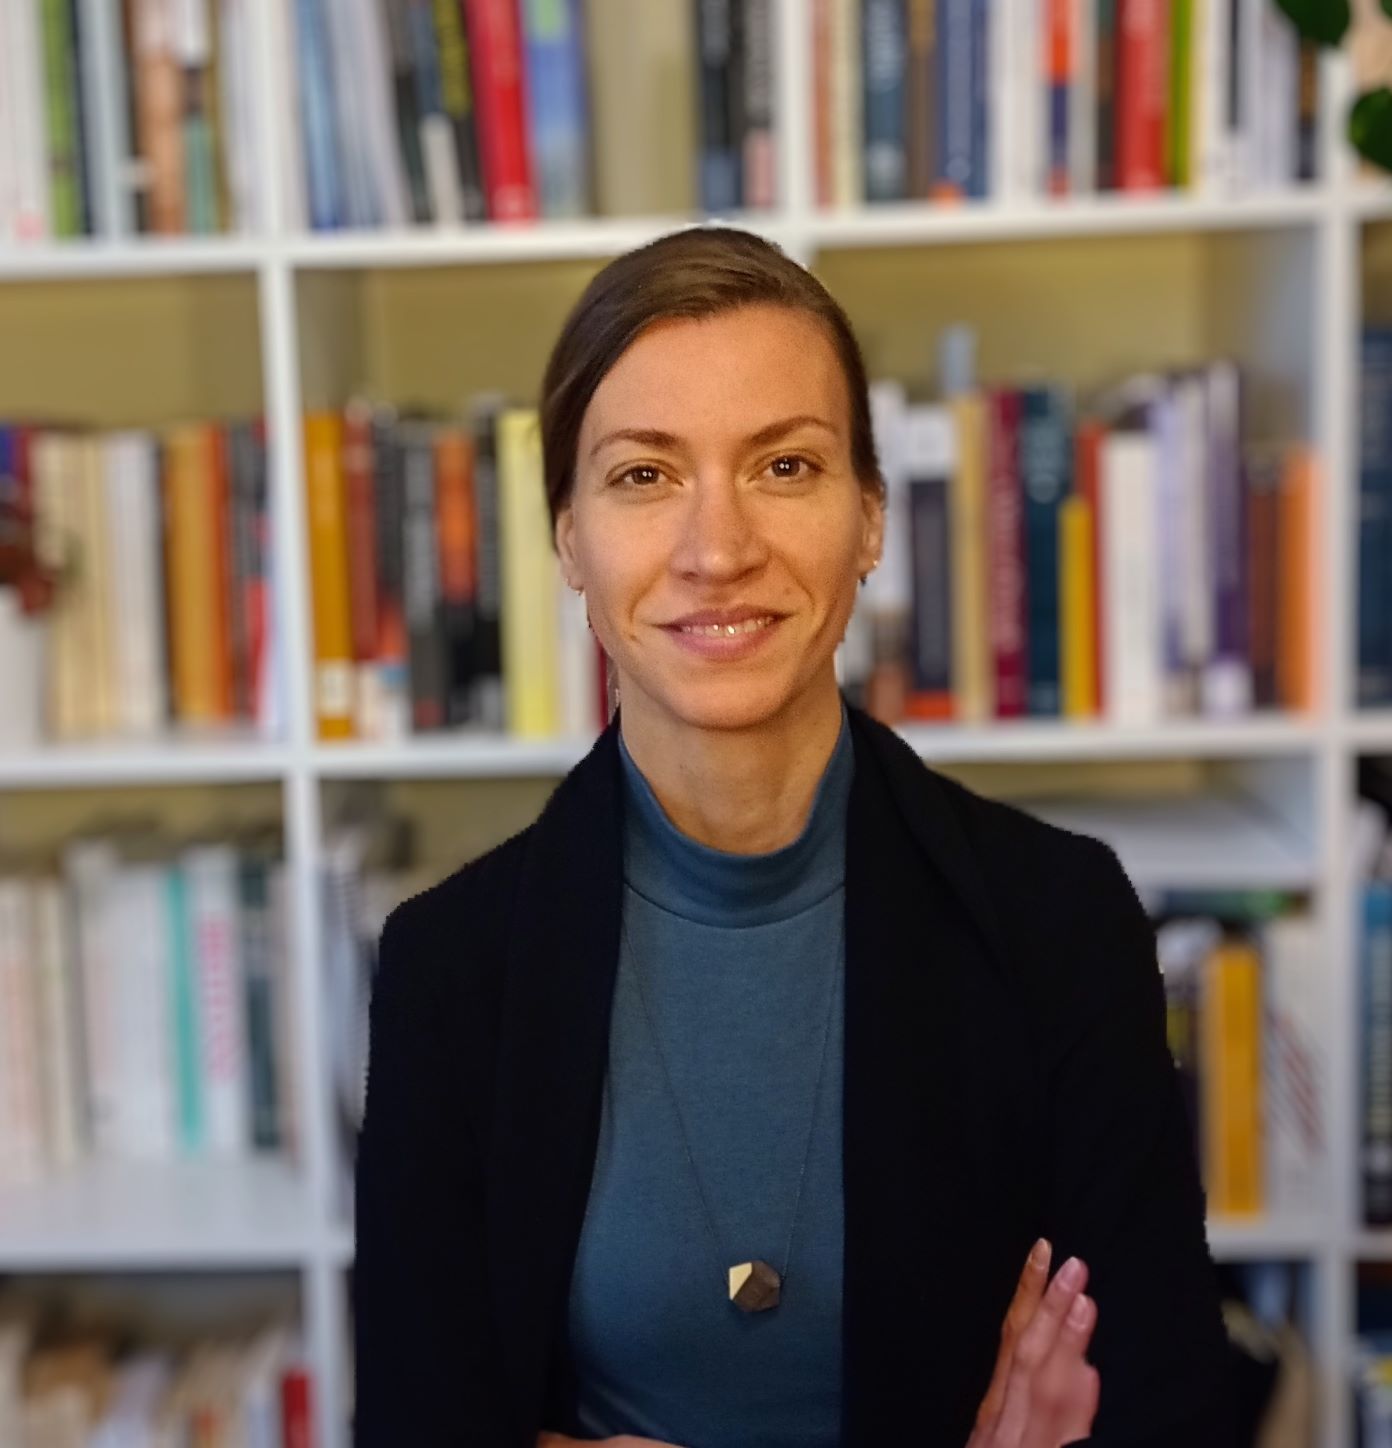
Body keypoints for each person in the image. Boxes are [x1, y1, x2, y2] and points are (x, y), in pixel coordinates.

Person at [352, 224, 1231, 1448]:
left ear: (869, 518)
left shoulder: (1058, 920)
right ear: (566, 538)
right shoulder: (449, 967)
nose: (718, 551)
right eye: (644, 476)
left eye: (784, 466)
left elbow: (1166, 1409)